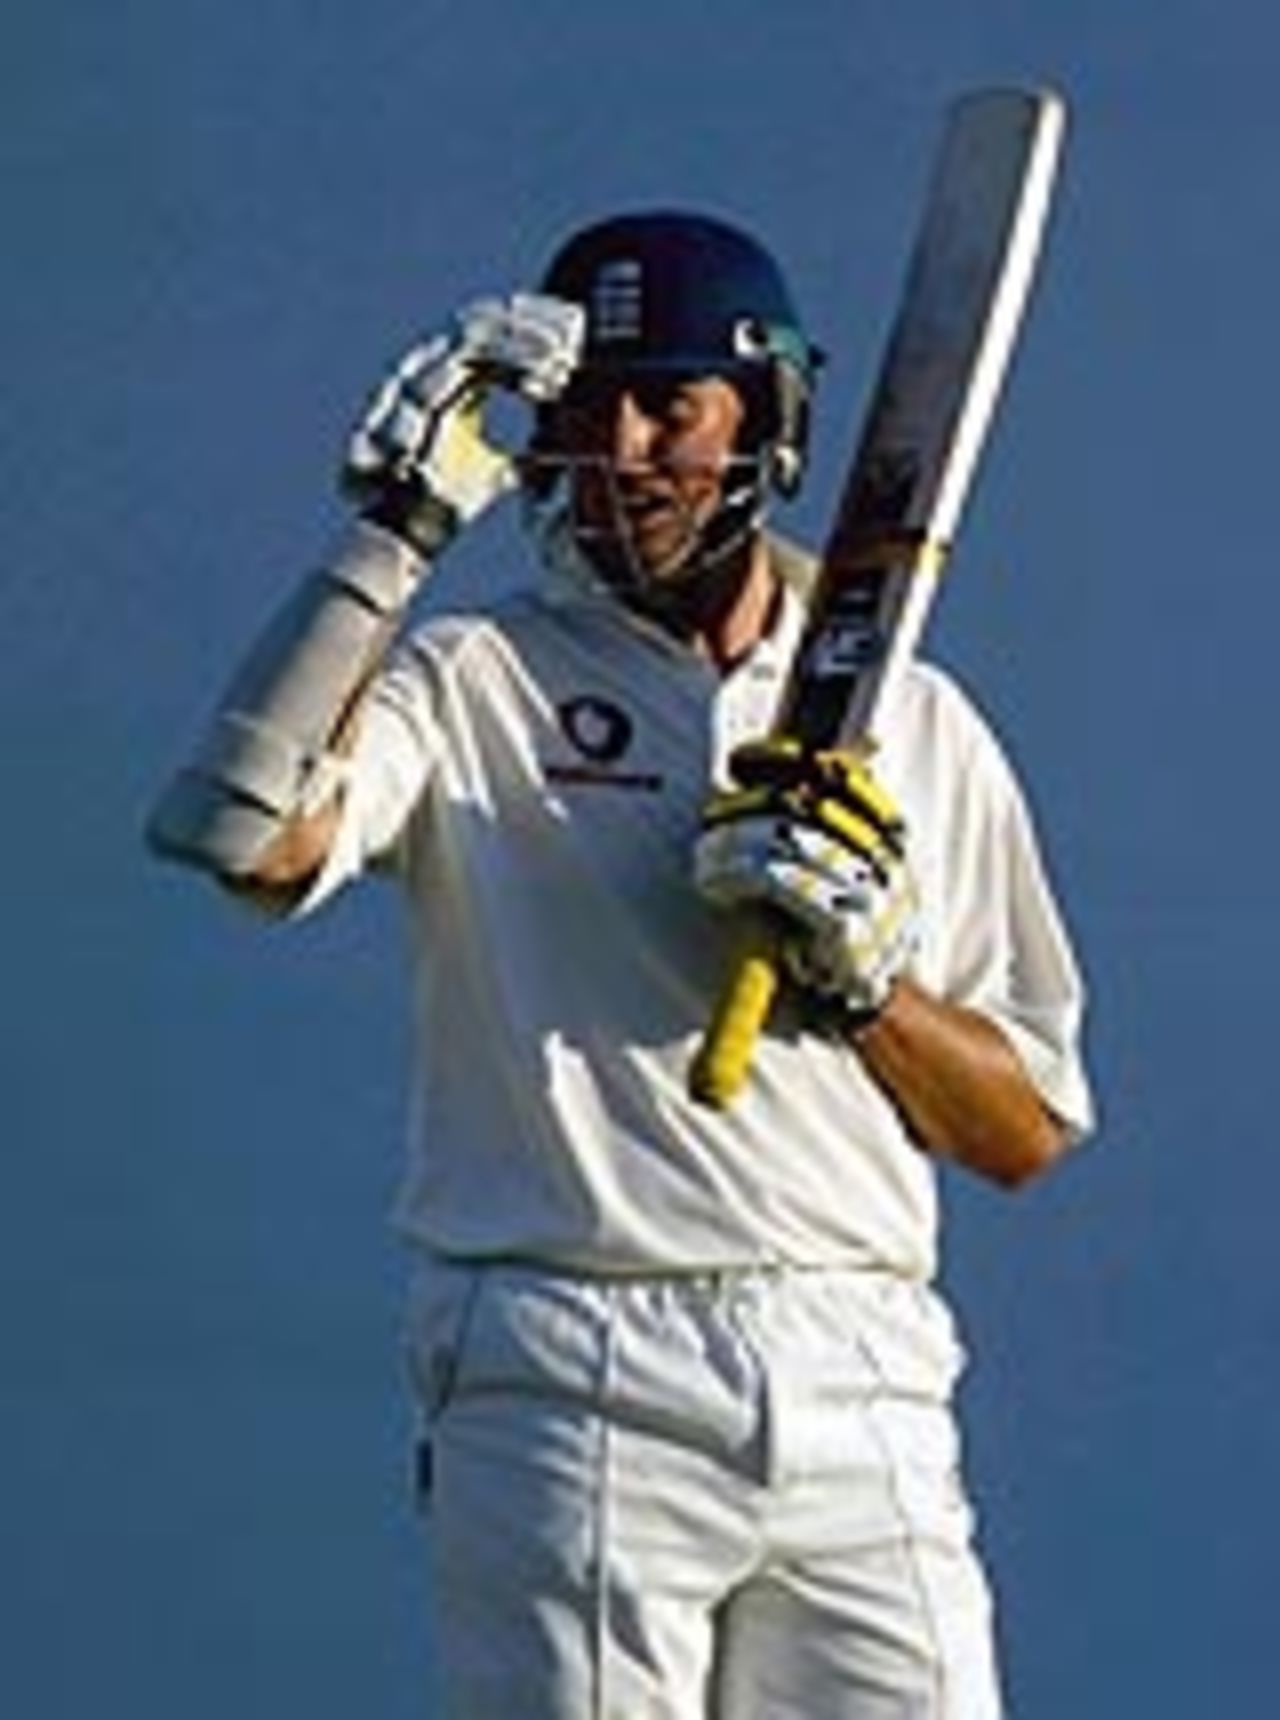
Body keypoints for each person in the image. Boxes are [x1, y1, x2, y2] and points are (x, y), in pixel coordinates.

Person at [147, 209, 1094, 1718]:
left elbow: (1023, 1131)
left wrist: (860, 986)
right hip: (565, 1370)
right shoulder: (477, 680)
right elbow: (237, 835)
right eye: (587, 408)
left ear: (767, 422)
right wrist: (391, 534)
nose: (627, 449)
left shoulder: (913, 723)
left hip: (863, 1370)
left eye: (671, 404)